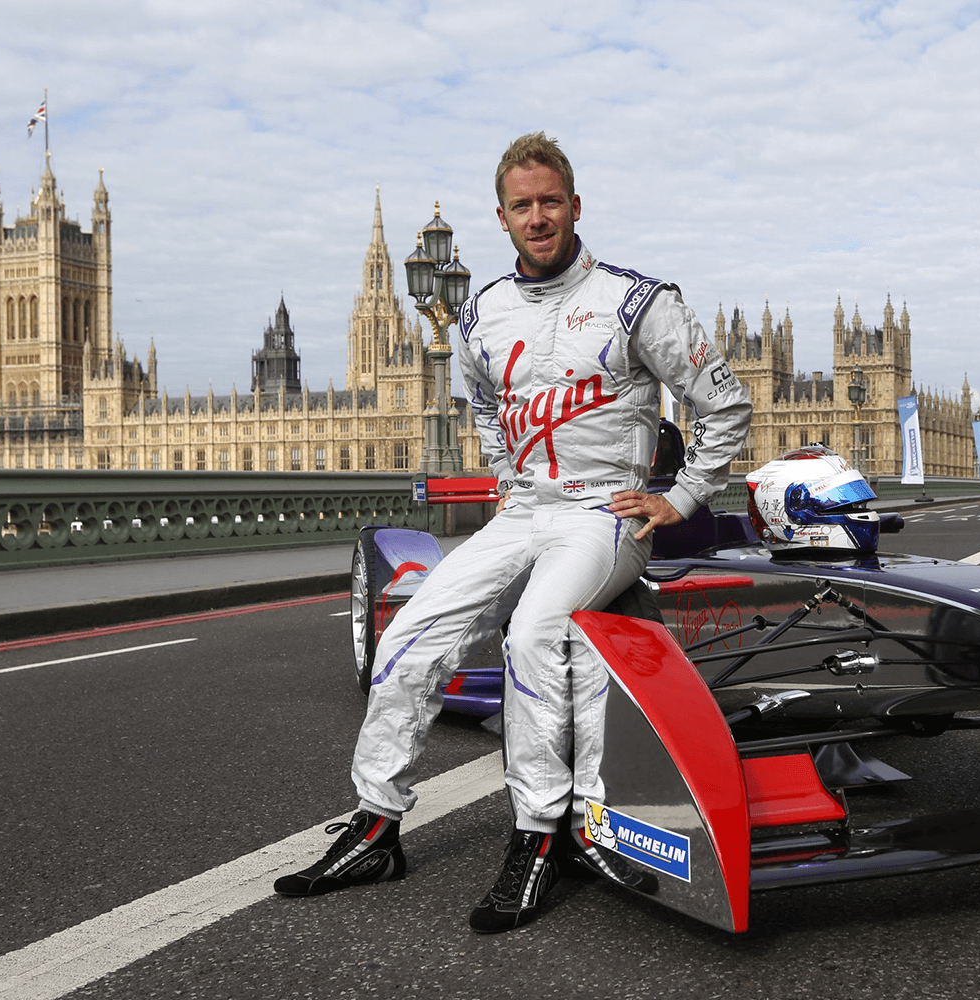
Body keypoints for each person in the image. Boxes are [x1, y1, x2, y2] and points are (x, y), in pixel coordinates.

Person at [274, 132, 752, 934]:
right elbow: (489, 409)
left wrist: (683, 496)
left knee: (532, 633)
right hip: (525, 509)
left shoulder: (638, 300)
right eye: (523, 206)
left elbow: (726, 401)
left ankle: (538, 834)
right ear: (501, 216)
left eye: (550, 201)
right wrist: (507, 477)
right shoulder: (477, 315)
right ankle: (374, 824)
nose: (538, 217)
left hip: (605, 512)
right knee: (411, 628)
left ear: (574, 205)